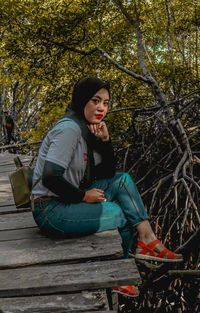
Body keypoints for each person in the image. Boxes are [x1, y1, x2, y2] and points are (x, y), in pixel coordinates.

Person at [31, 77, 183, 298]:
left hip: (63, 201)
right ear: (82, 100)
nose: (102, 108)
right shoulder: (70, 130)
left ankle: (148, 241)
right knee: (119, 212)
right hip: (49, 210)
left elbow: (107, 174)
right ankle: (117, 274)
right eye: (95, 100)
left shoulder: (85, 128)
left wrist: (105, 141)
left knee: (123, 181)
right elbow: (50, 177)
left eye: (106, 102)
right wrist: (84, 196)